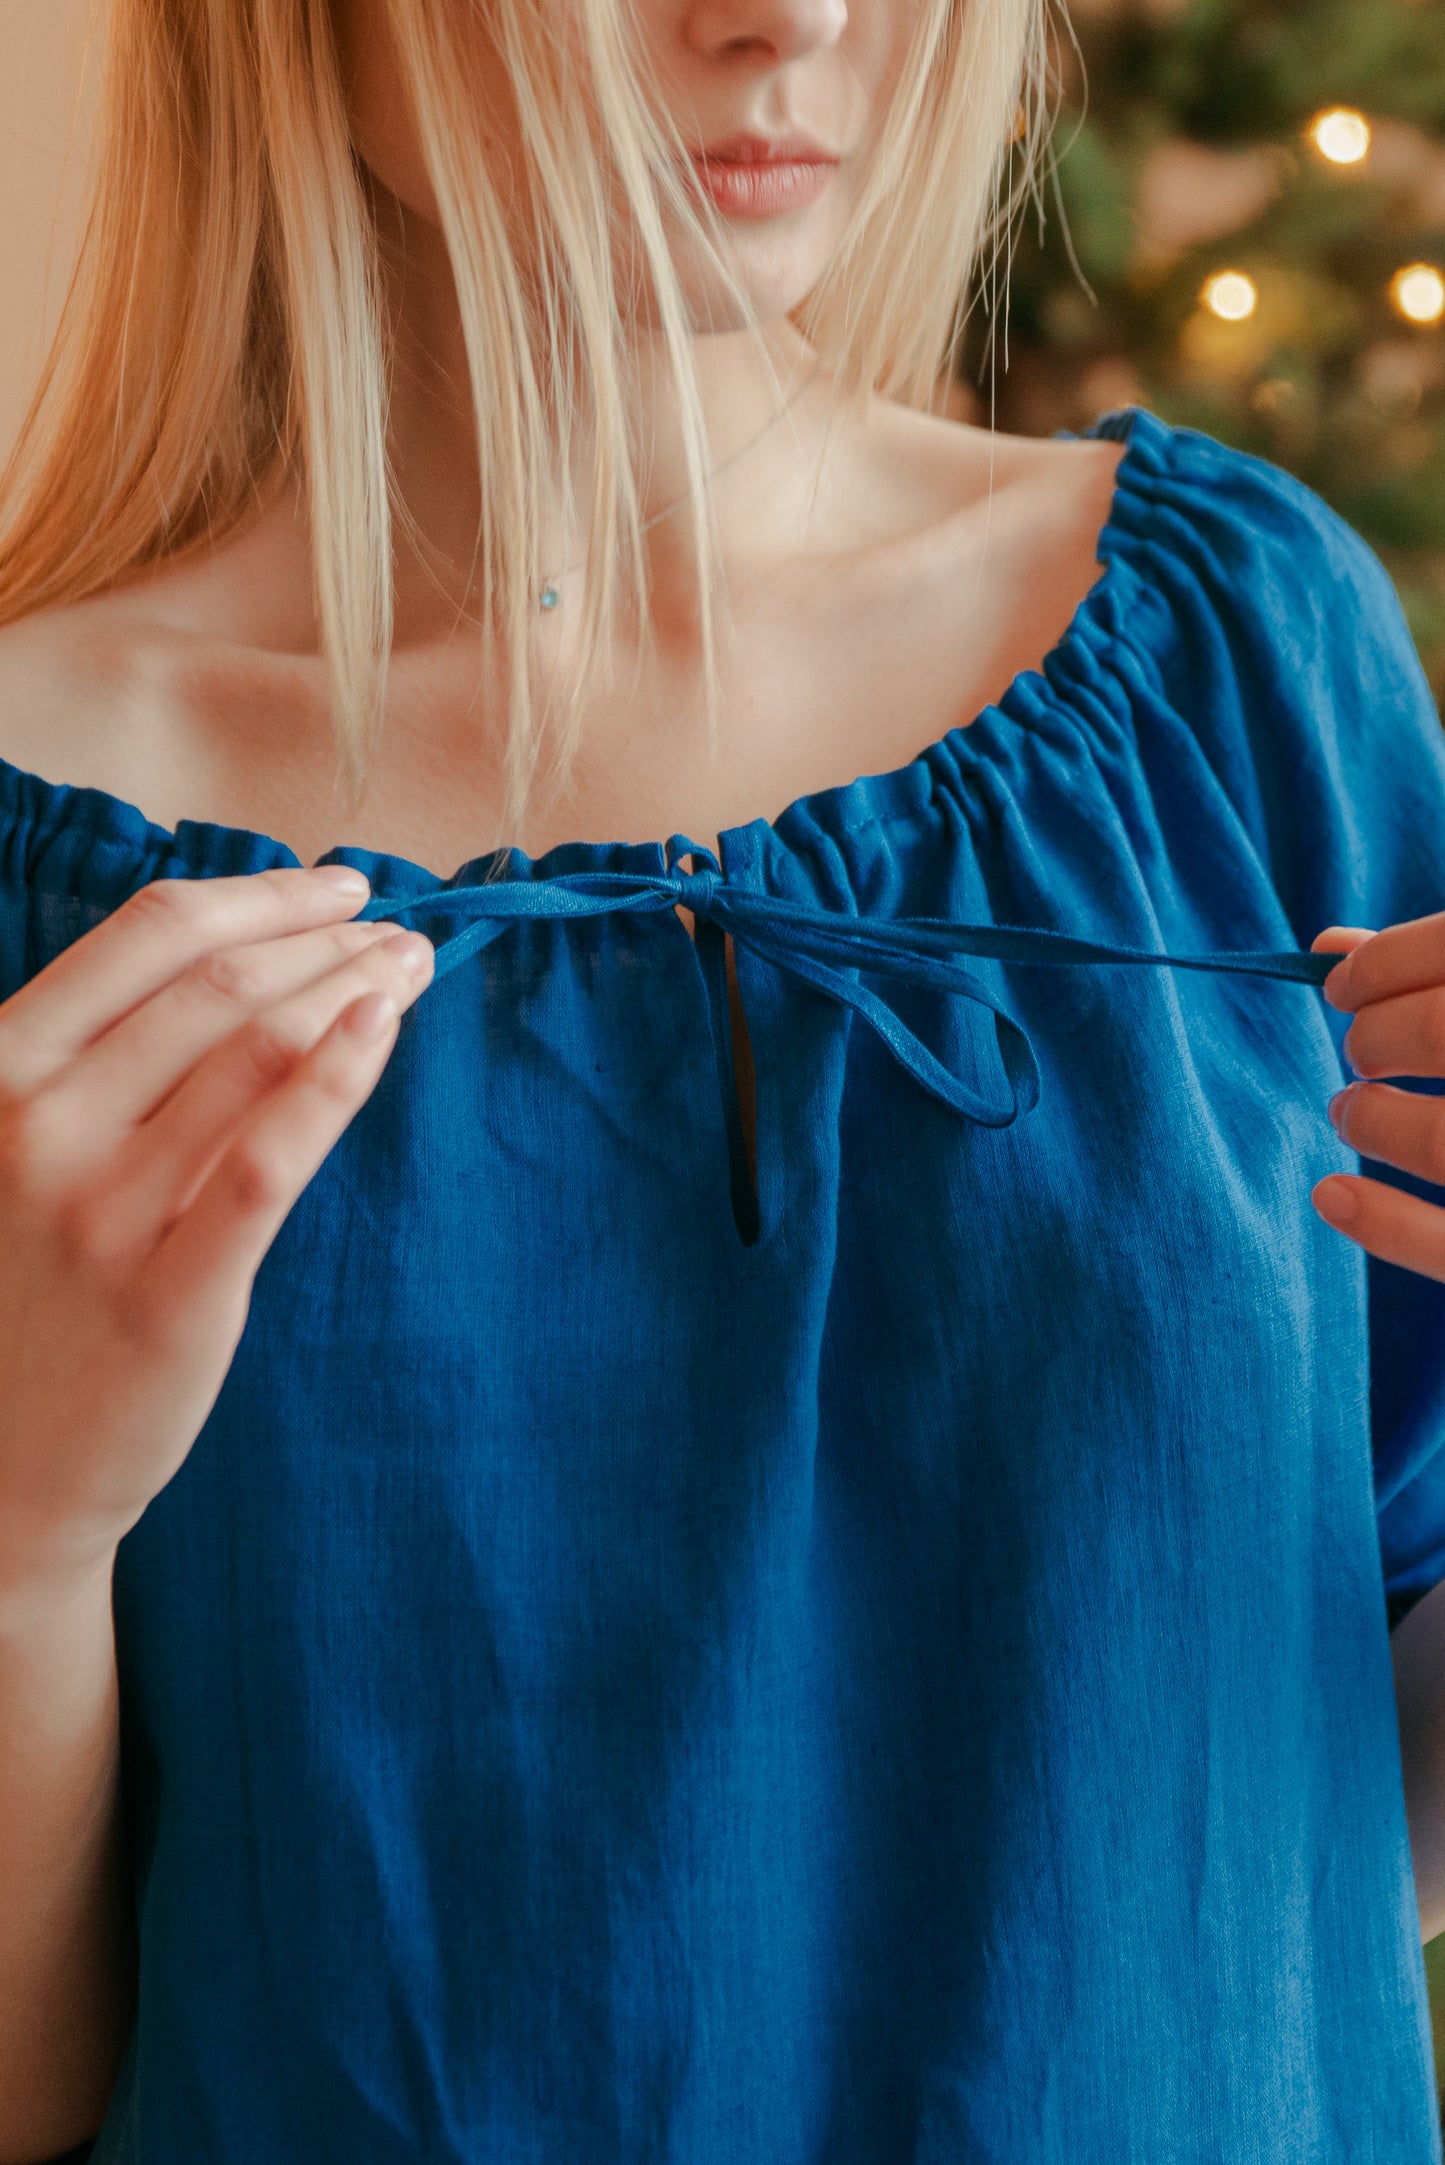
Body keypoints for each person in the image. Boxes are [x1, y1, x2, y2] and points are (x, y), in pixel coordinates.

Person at [4, 0, 1445, 2156]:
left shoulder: (1239, 659)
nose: (792, 18)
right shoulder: (41, 884)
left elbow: (1362, 1802)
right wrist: (20, 1522)